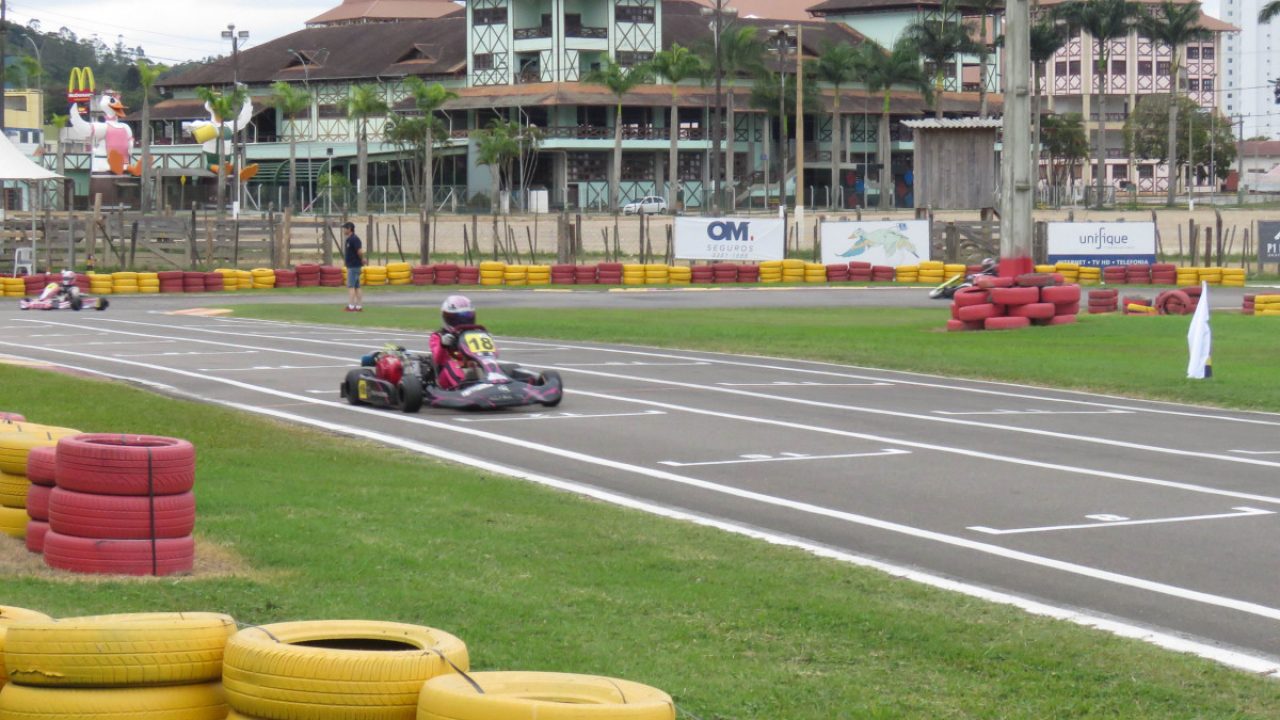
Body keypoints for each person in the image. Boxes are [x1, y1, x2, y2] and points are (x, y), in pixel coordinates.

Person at [429, 295, 478, 390]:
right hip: (444, 377)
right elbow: (437, 360)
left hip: (471, 368)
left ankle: (496, 381)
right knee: (452, 364)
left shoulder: (474, 334)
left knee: (483, 364)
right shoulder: (438, 336)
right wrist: (443, 345)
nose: (462, 322)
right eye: (457, 319)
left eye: (467, 318)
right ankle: (464, 387)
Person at [343, 221, 364, 312]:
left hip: (354, 266)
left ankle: (351, 306)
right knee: (357, 286)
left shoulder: (354, 239)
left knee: (351, 286)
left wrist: (362, 259)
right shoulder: (349, 239)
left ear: (349, 229)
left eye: (345, 228)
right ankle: (359, 306)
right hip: (353, 265)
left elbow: (359, 251)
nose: (343, 230)